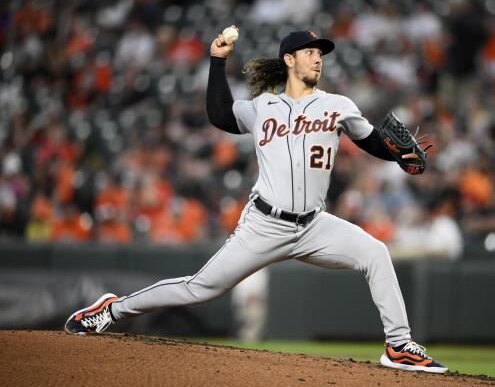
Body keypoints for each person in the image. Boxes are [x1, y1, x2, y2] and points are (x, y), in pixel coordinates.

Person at [64, 28, 447, 373]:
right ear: (289, 59)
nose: (318, 57)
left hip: (314, 225)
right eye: (310, 51)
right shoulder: (263, 106)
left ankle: (398, 345)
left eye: (321, 53)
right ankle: (111, 309)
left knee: (375, 253)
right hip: (264, 223)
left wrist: (399, 156)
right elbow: (218, 114)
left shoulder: (339, 105)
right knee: (200, 287)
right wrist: (217, 60)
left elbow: (372, 143)